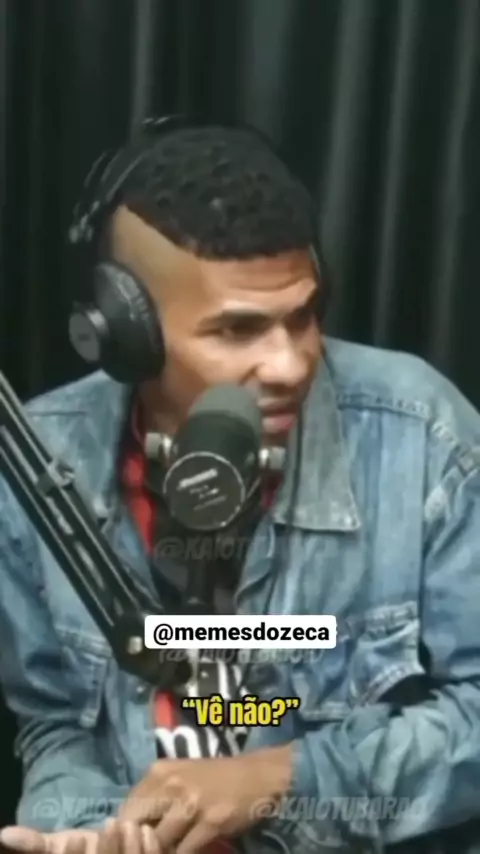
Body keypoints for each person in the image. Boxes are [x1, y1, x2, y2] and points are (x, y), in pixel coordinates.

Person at [0, 119, 480, 854]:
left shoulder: (421, 437)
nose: (290, 364)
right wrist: (93, 832)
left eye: (303, 317)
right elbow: (57, 722)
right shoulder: (42, 465)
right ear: (128, 335)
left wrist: (279, 777)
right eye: (237, 330)